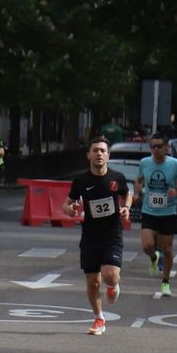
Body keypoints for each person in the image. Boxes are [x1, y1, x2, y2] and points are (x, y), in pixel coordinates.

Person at [63, 137, 132, 337]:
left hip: (111, 235)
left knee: (110, 275)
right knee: (93, 282)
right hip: (90, 236)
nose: (99, 154)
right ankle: (99, 318)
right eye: (95, 150)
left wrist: (126, 207)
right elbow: (67, 204)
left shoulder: (116, 178)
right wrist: (71, 209)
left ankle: (112, 285)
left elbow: (127, 194)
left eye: (103, 151)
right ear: (89, 155)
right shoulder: (81, 181)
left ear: (108, 155)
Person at [134, 133, 177, 299]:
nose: (156, 150)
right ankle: (153, 257)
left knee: (167, 249)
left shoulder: (175, 164)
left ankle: (165, 282)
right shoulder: (145, 163)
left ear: (166, 147)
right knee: (147, 245)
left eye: (159, 146)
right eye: (153, 147)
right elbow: (138, 180)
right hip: (149, 211)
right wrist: (137, 193)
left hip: (168, 212)